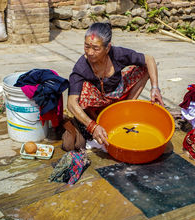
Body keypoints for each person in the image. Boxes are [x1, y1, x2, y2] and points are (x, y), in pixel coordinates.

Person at [62, 22, 164, 151]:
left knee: (144, 69)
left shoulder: (118, 54)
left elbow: (149, 59)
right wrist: (93, 126)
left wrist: (155, 88)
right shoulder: (81, 67)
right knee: (82, 90)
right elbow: (71, 103)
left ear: (107, 48)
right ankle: (98, 121)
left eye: (96, 48)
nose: (90, 52)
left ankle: (125, 107)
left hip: (119, 93)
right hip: (98, 101)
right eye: (87, 46)